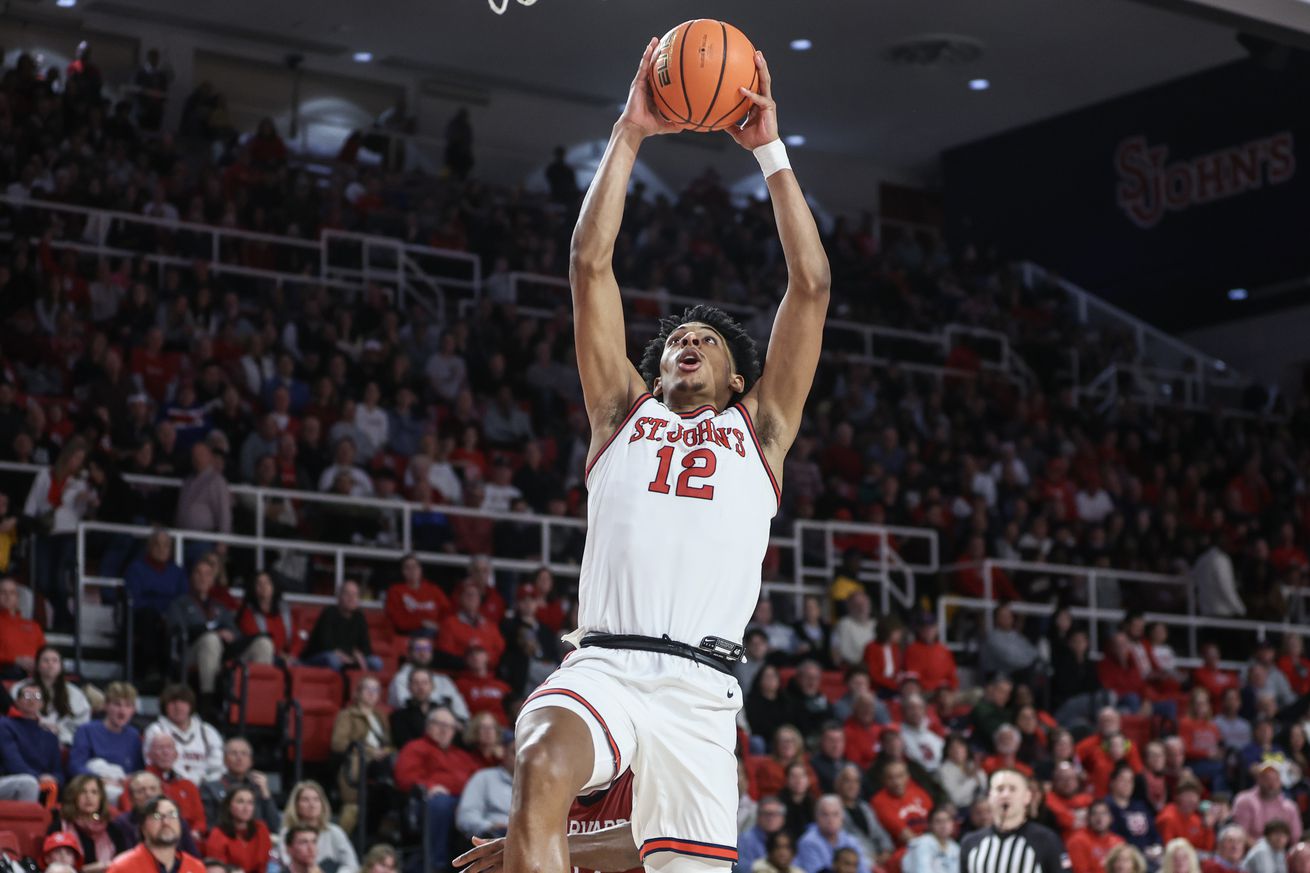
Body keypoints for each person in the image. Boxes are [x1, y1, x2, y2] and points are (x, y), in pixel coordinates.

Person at [504, 39, 828, 873]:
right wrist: (631, 128)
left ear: (736, 373)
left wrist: (769, 152)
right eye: (676, 338)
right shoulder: (620, 413)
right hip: (605, 660)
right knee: (540, 759)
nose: (686, 341)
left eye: (705, 339)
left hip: (701, 693)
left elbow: (812, 286)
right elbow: (588, 264)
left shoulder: (762, 431)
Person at [167, 558, 273, 705]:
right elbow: (178, 631)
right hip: (190, 653)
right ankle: (208, 699)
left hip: (222, 654)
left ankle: (257, 702)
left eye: (207, 574)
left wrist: (230, 634)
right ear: (191, 577)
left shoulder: (219, 607)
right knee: (210, 640)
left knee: (263, 644)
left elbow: (235, 633)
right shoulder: (179, 604)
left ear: (212, 580)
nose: (203, 578)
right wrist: (213, 633)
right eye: (199, 573)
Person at [394, 707, 480, 873]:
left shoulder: (462, 755)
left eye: (449, 726)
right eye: (439, 724)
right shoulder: (416, 747)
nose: (444, 730)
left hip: (464, 802)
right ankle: (435, 865)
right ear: (427, 726)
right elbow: (404, 777)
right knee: (440, 803)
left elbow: (479, 780)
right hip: (428, 803)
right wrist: (429, 787)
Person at [959, 770, 1067, 873]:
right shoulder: (970, 843)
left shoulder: (1046, 840)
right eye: (1000, 789)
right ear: (990, 796)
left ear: (1027, 797)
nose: (1005, 795)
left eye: (1012, 789)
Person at [328, 675, 393, 833]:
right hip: (358, 764)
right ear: (357, 693)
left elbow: (389, 744)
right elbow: (338, 744)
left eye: (376, 689)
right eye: (367, 689)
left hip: (381, 763)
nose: (372, 693)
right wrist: (370, 751)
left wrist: (385, 751)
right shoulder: (347, 715)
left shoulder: (380, 716)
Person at [122, 530, 188, 679]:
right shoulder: (136, 569)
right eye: (157, 544)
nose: (161, 549)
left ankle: (171, 673)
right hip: (144, 616)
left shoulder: (177, 572)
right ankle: (149, 668)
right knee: (149, 617)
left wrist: (167, 614)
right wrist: (160, 612)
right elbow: (135, 599)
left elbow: (182, 599)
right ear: (149, 547)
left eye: (166, 545)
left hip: (170, 616)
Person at [70, 683, 144, 806]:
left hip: (123, 786)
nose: (122, 711)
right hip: (94, 786)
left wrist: (127, 780)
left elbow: (137, 771)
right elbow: (76, 766)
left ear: (133, 710)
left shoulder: (133, 735)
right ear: (106, 706)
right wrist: (100, 779)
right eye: (117, 704)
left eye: (128, 706)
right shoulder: (86, 730)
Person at [144, 685, 226, 787]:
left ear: (191, 705)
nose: (178, 707)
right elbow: (150, 762)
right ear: (164, 706)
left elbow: (218, 765)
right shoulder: (155, 730)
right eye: (173, 703)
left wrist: (203, 780)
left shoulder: (207, 731)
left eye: (183, 702)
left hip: (205, 787)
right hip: (168, 786)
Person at [272, 782, 358, 873]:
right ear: (296, 805)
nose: (312, 805)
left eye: (316, 799)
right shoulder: (287, 832)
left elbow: (352, 865)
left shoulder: (335, 832)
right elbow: (286, 863)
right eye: (305, 800)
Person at [200, 738, 280, 833]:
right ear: (224, 760)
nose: (239, 758)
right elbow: (209, 827)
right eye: (234, 753)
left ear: (251, 761)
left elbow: (275, 826)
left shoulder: (258, 788)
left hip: (257, 842)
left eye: (244, 753)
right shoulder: (210, 788)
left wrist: (266, 794)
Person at [106, 797, 205, 873]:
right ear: (143, 827)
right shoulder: (123, 867)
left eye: (172, 815)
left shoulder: (196, 868)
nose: (166, 822)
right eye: (157, 816)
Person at [300, 580, 381, 672]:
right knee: (333, 659)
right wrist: (349, 654)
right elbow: (326, 645)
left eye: (355, 595)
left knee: (376, 662)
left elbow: (366, 648)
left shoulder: (359, 617)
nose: (351, 598)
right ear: (339, 597)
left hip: (350, 657)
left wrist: (358, 655)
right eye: (347, 594)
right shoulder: (329, 613)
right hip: (320, 656)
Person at [56, 775, 131, 873]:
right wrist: (86, 870)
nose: (89, 797)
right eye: (83, 792)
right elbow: (55, 867)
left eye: (94, 792)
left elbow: (123, 862)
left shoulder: (112, 828)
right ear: (73, 796)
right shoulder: (60, 827)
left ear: (101, 798)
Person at [0, 681, 60, 802]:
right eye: (27, 696)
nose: (32, 700)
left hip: (43, 785)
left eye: (37, 697)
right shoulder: (5, 725)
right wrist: (40, 777)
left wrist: (54, 779)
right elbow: (13, 763)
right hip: (9, 780)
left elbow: (58, 770)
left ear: (42, 704)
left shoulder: (49, 734)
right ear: (17, 701)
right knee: (28, 784)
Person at [142, 733, 207, 837]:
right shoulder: (139, 784)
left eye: (169, 748)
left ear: (176, 755)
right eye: (160, 748)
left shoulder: (188, 786)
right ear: (149, 755)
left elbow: (200, 821)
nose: (165, 752)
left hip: (186, 838)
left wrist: (195, 832)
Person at [387, 635, 469, 717]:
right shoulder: (401, 679)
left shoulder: (444, 680)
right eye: (418, 649)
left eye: (427, 649)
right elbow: (407, 709)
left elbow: (462, 712)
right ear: (409, 653)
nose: (423, 652)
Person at [457, 737, 516, 840]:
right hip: (493, 839)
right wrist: (490, 826)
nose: (521, 758)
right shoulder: (484, 778)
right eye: (515, 752)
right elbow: (466, 816)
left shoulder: (537, 786)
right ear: (504, 753)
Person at [203, 787, 272, 873]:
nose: (246, 808)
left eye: (250, 803)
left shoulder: (261, 829)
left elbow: (267, 864)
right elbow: (216, 869)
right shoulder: (217, 834)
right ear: (229, 806)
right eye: (240, 802)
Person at [1233, 759, 1302, 843]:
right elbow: (1241, 834)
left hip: (1282, 853)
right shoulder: (1244, 801)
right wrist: (1263, 852)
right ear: (1258, 779)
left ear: (1281, 781)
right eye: (1266, 778)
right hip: (1252, 852)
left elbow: (1296, 838)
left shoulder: (1290, 807)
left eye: (1275, 779)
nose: (1271, 783)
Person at [795, 796, 869, 873]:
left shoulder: (851, 841)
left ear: (842, 817)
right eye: (825, 815)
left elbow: (863, 870)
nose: (830, 820)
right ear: (816, 817)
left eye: (835, 814)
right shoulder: (808, 842)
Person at [384, 554, 450, 635]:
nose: (412, 570)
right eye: (407, 568)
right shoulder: (395, 591)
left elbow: (447, 612)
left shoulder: (434, 590)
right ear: (402, 572)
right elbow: (398, 620)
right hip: (410, 632)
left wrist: (440, 626)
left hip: (436, 630)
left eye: (415, 566)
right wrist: (421, 623)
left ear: (420, 569)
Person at [0, 576, 45, 677]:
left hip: (35, 676)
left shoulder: (33, 626)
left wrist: (38, 663)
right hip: (7, 675)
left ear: (17, 598)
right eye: (3, 592)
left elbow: (45, 652)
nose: (8, 596)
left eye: (12, 593)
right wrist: (15, 660)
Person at [1066, 800, 1124, 873]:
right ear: (1088, 818)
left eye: (1104, 813)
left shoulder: (1119, 842)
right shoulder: (1077, 841)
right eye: (1094, 814)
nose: (1099, 818)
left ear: (1111, 818)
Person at [903, 805, 958, 873]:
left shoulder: (955, 847)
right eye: (938, 821)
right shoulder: (922, 844)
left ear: (952, 823)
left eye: (947, 820)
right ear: (929, 825)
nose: (944, 825)